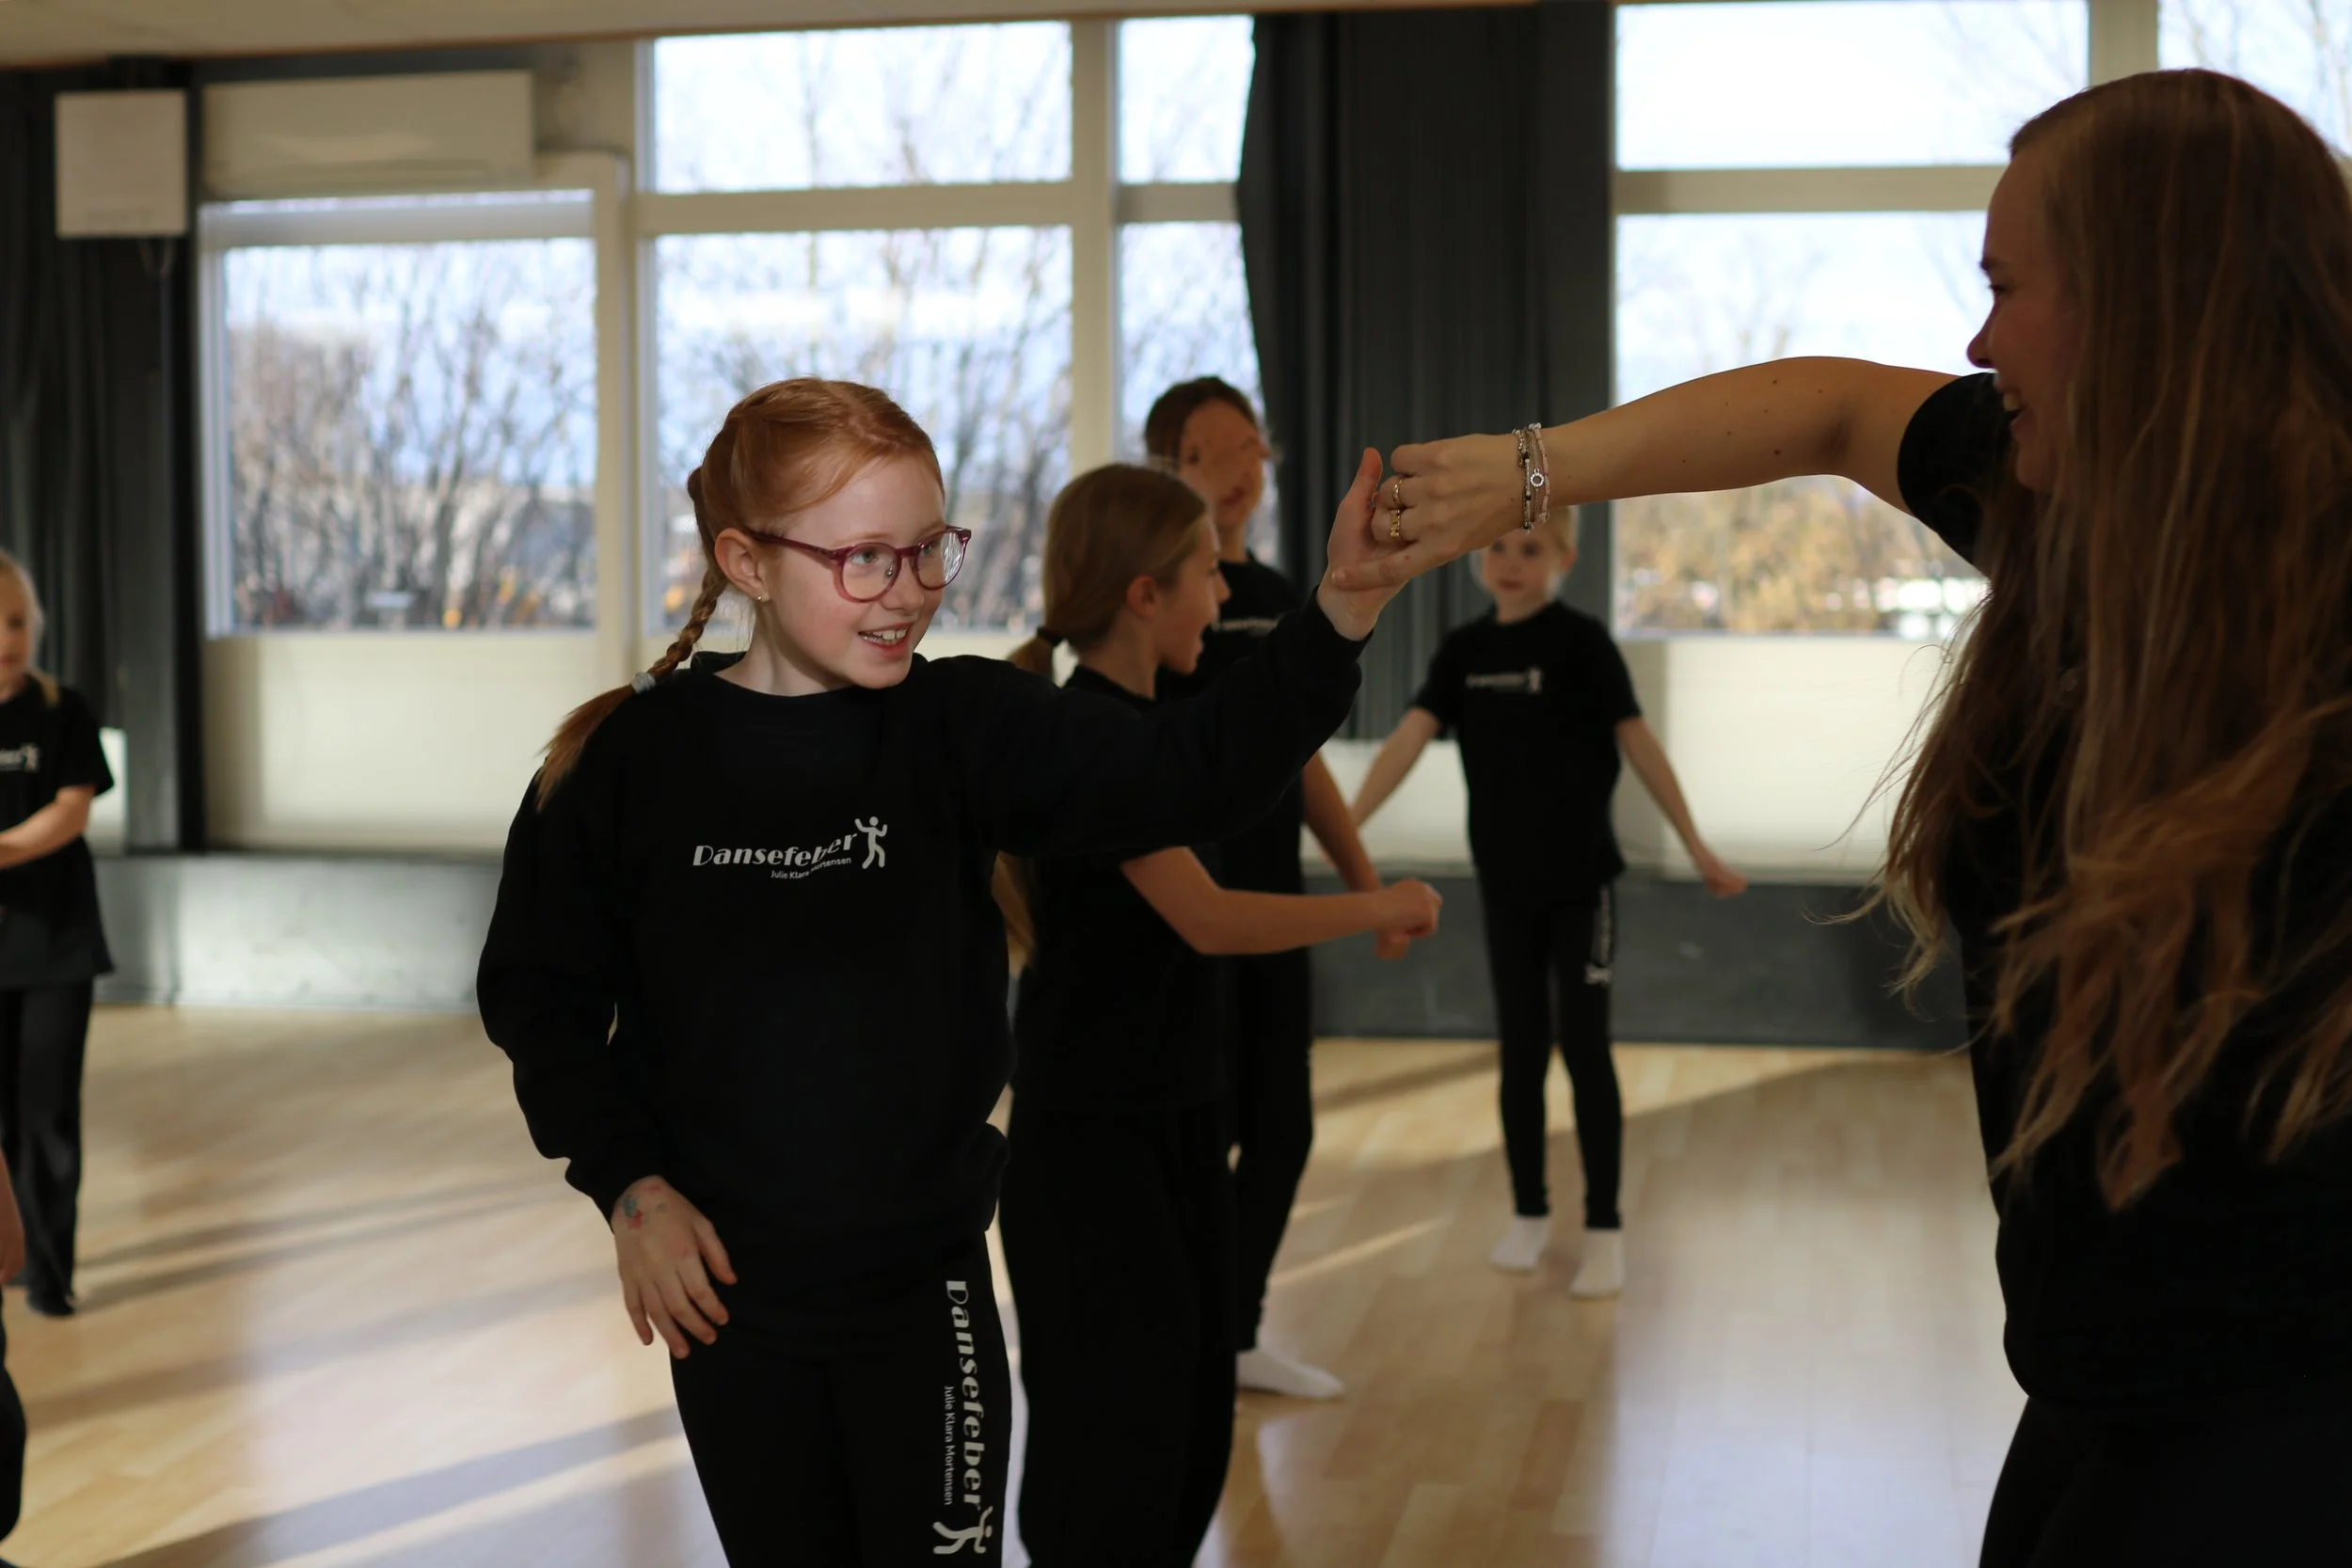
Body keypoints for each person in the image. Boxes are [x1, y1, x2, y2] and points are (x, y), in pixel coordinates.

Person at [1346, 69, 2352, 1567]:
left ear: (2155, 308)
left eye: (2011, 288)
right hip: (2092, 1390)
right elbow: (1826, 405)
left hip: (2277, 1439)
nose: (1977, 339)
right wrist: (1528, 470)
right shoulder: (2053, 508)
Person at [476, 378, 1410, 1565]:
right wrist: (631, 1189)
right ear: (746, 561)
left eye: (929, 550)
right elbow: (538, 1000)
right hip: (728, 1312)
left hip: (927, 1304)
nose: (908, 588)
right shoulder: (625, 763)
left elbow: (1197, 770)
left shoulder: (965, 725)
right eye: (864, 557)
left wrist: (1338, 611)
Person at [993, 464, 1441, 1568]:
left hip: (1170, 1116)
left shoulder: (1143, 727)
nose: (1220, 595)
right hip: (1093, 1146)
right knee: (1116, 1444)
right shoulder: (1087, 736)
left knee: (1189, 1423)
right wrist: (1373, 902)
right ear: (1144, 594)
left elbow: (1260, 767)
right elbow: (1206, 917)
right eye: (1204, 573)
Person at [1350, 506, 1743, 1293]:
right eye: (1496, 546)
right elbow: (1406, 739)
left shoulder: (1583, 643)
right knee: (1520, 1052)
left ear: (1562, 557)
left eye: (1529, 547)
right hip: (1505, 889)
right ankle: (1528, 1212)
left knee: (1585, 1048)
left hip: (1581, 886)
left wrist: (1695, 843)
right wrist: (1347, 829)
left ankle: (1604, 1227)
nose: (1510, 560)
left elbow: (1639, 743)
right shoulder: (1466, 652)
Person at [1144, 376, 1392, 1400]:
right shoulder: (1155, 599)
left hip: (1274, 901)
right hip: (1181, 914)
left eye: (1253, 446)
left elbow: (1303, 758)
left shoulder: (1287, 593)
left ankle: (1234, 1330)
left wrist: (1361, 875)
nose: (1241, 469)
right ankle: (1188, 1328)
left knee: (1282, 1123)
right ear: (1168, 468)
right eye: (1213, 453)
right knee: (1206, 1127)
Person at [0, 550, 115, 1322]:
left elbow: (72, 809)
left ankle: (48, 1269)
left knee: (45, 1109)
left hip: (54, 944)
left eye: (16, 620)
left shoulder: (62, 710)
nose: (6, 636)